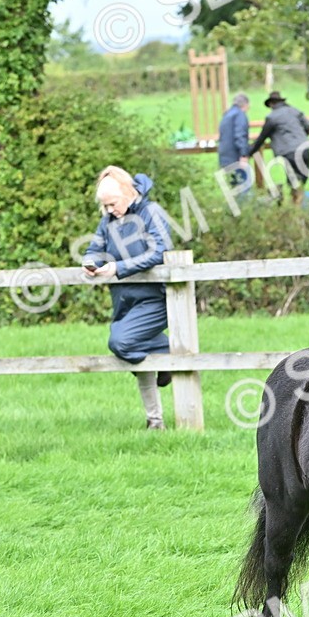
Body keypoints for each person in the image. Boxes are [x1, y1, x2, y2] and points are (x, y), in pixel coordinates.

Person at [83, 167, 174, 430]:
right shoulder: (108, 221)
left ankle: (169, 351)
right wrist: (89, 263)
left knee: (122, 342)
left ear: (128, 192)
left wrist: (118, 268)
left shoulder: (151, 212)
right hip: (124, 300)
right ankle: (154, 420)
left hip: (155, 299)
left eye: (112, 204)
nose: (109, 210)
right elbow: (94, 249)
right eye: (105, 206)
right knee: (137, 351)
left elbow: (159, 251)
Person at [248, 91, 309, 206]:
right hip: (304, 148)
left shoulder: (272, 118)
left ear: (271, 104)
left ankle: (294, 207)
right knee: (301, 180)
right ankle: (298, 205)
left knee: (293, 181)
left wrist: (249, 153)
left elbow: (262, 138)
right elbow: (307, 126)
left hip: (288, 152)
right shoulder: (295, 111)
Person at [218, 92, 250, 195]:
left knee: (234, 189)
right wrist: (243, 154)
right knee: (244, 187)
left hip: (224, 158)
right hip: (235, 157)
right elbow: (240, 135)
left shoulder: (226, 115)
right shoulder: (240, 115)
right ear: (245, 105)